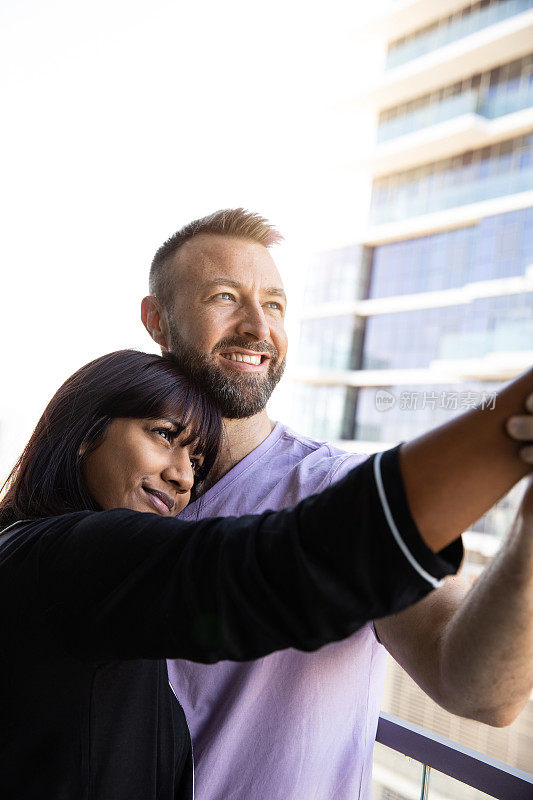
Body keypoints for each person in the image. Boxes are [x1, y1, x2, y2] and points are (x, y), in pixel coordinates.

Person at [141, 208, 533, 800]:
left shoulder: (334, 490)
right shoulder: (119, 487)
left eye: (274, 305)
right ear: (157, 320)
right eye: (224, 297)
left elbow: (481, 691)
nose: (257, 327)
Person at [0, 349, 468, 800]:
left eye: (198, 462)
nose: (184, 476)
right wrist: (437, 497)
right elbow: (249, 576)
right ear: (86, 431)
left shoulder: (23, 545)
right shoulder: (71, 554)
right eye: (164, 434)